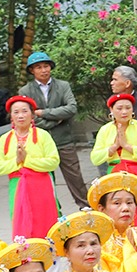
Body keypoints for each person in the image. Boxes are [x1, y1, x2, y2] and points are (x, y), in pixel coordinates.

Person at [90, 92, 137, 248]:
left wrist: (128, 147)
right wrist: (112, 148)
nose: (124, 112)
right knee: (117, 214)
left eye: (128, 108)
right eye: (119, 108)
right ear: (111, 110)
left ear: (133, 110)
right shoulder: (105, 130)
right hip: (115, 176)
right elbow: (95, 158)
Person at [21, 52, 87, 206]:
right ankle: (53, 210)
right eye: (38, 67)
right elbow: (29, 117)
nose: (43, 70)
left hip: (63, 140)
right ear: (32, 70)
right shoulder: (25, 91)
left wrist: (44, 113)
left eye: (46, 66)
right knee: (45, 179)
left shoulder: (63, 86)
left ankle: (86, 207)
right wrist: (56, 120)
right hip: (39, 143)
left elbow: (71, 108)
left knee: (75, 177)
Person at [0, 95, 61, 238]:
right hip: (17, 184)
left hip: (41, 183)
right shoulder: (4, 139)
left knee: (45, 219)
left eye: (24, 111)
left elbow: (53, 161)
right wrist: (17, 162)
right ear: (11, 116)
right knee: (20, 218)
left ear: (32, 114)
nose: (20, 116)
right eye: (16, 112)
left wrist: (27, 160)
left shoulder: (43, 136)